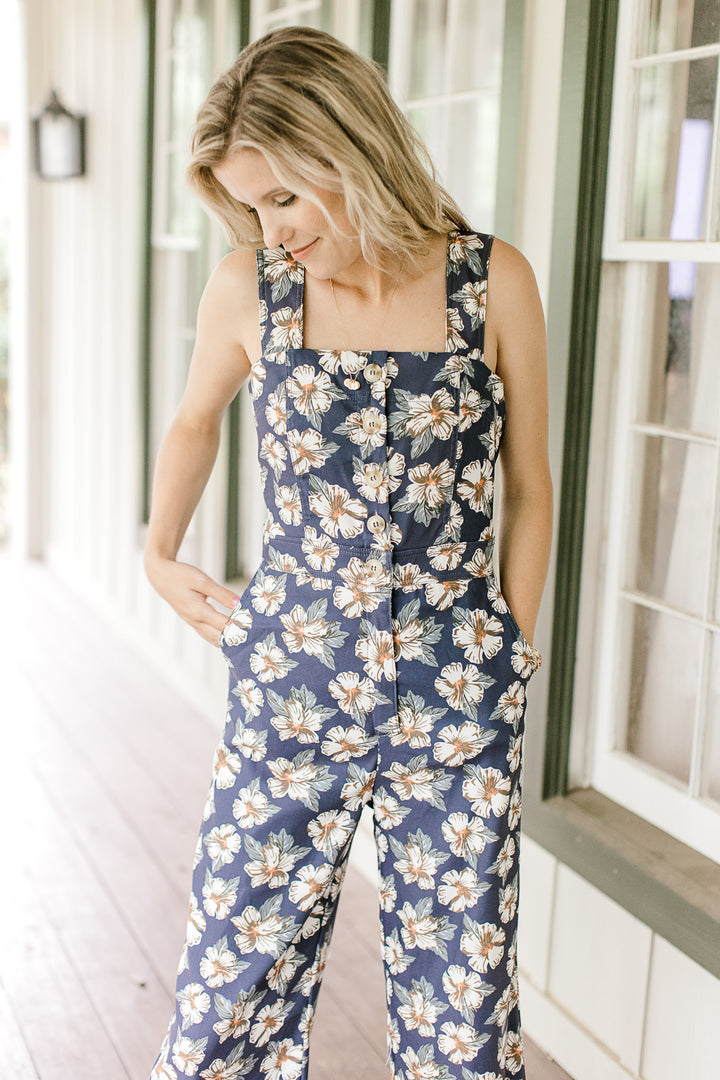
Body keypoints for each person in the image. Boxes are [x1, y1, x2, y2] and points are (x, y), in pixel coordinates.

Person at [144, 25, 552, 1080]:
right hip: (294, 676)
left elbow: (532, 488)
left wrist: (509, 651)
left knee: (461, 1007)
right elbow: (194, 421)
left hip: (458, 692)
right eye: (249, 206)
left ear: (350, 153)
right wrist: (157, 551)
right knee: (232, 979)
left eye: (284, 199)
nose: (269, 229)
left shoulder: (491, 283)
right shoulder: (251, 289)